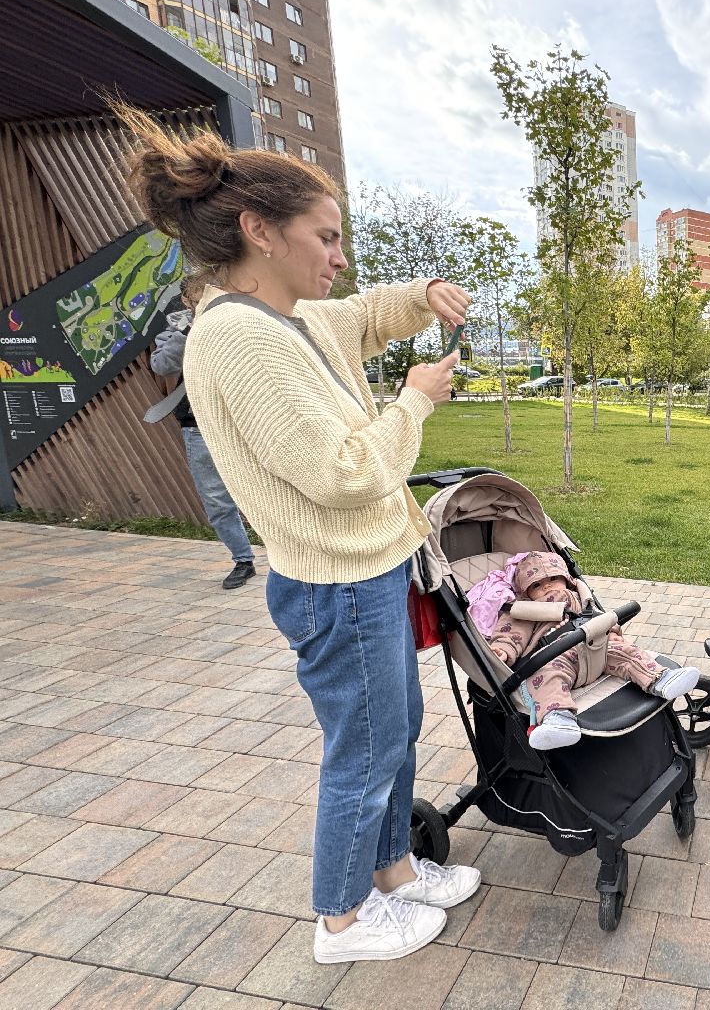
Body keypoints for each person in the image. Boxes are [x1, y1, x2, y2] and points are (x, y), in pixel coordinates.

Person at [114, 101, 481, 965]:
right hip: (337, 584)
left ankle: (392, 873)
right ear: (259, 231)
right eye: (325, 236)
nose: (339, 255)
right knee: (363, 750)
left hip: (373, 572)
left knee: (392, 733)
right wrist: (417, 399)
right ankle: (343, 921)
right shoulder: (236, 340)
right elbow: (345, 473)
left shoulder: (292, 317)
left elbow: (361, 315)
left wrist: (423, 298)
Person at [469, 550, 699, 750]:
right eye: (536, 585)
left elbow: (596, 615)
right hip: (556, 657)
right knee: (545, 678)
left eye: (552, 578)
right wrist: (502, 650)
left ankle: (660, 678)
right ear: (524, 592)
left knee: (624, 651)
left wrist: (613, 628)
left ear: (566, 578)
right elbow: (510, 633)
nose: (546, 586)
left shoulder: (579, 595)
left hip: (595, 648)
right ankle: (558, 719)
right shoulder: (524, 609)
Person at [148, 307, 258, 589]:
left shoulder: (236, 318)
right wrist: (187, 331)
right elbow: (162, 366)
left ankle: (292, 552)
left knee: (269, 485)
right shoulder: (174, 331)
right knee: (215, 498)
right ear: (186, 299)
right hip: (198, 424)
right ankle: (243, 560)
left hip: (246, 420)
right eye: (193, 296)